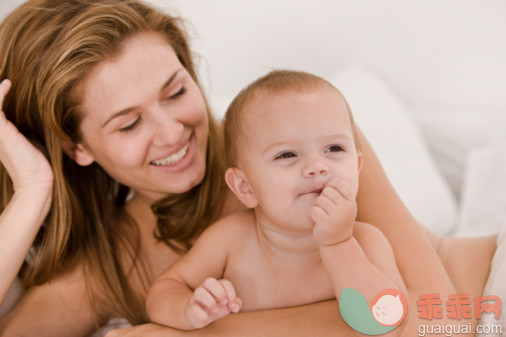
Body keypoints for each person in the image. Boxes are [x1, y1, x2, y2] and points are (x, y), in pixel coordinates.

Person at [0, 0, 497, 336]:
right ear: (76, 147)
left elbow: (438, 324)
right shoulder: (110, 269)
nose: (173, 132)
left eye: (176, 91)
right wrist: (32, 189)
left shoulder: (300, 138)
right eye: (130, 124)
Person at [145, 70, 407, 333]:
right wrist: (188, 309)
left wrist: (339, 244)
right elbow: (164, 290)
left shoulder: (366, 241)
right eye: (287, 154)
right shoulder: (231, 241)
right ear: (245, 187)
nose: (317, 166)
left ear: (358, 167)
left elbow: (388, 324)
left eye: (334, 149)